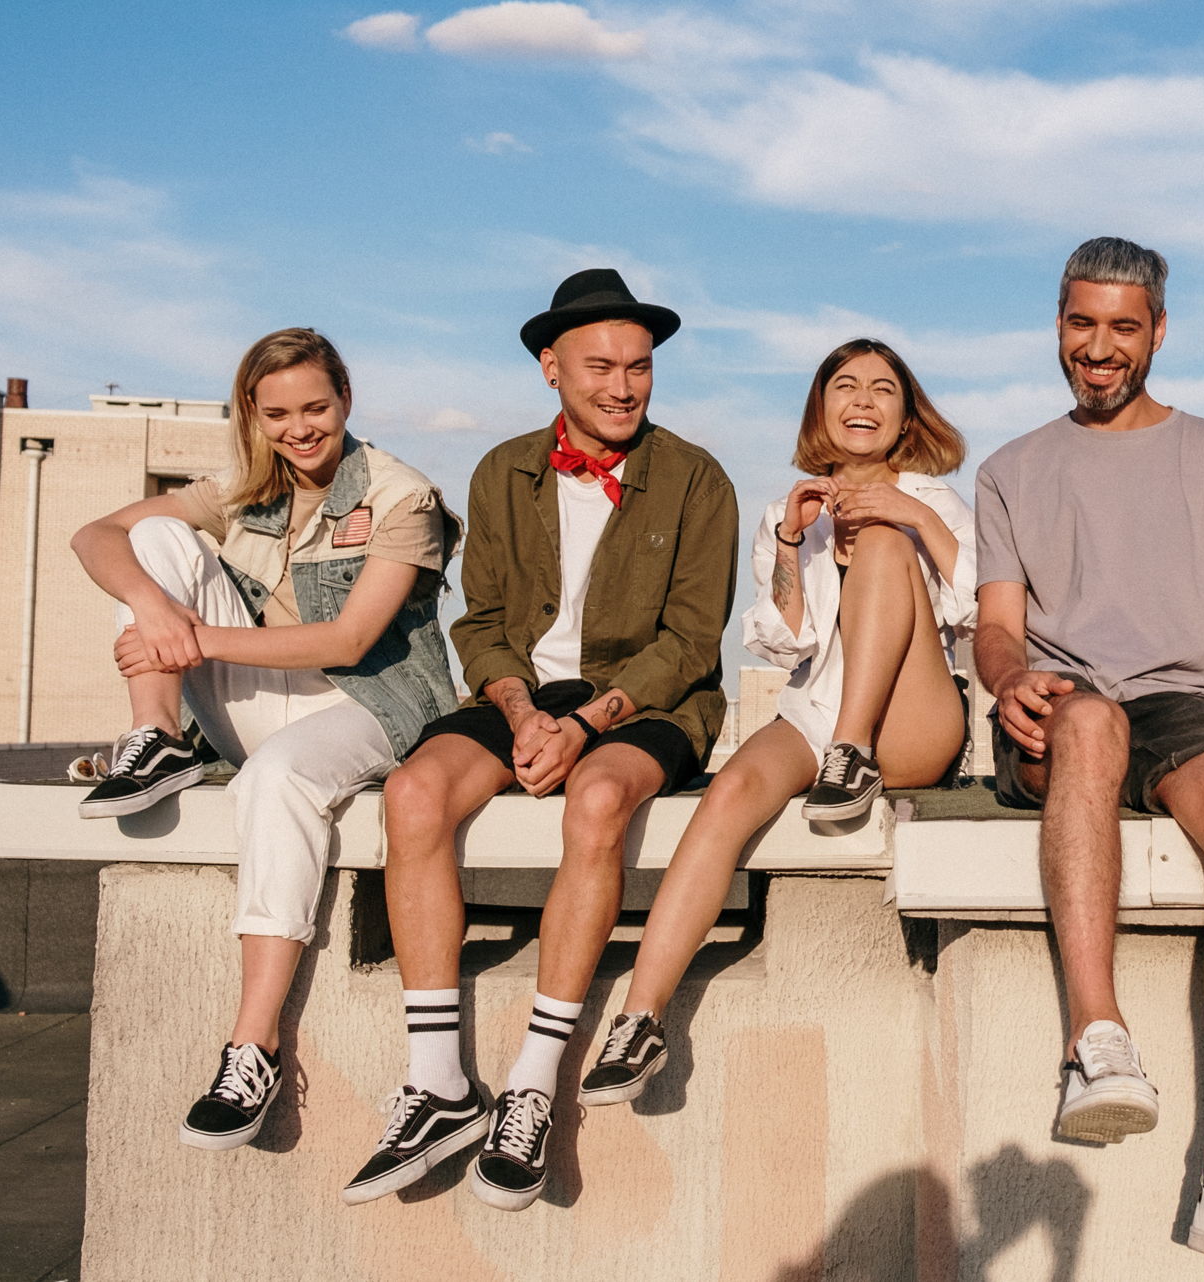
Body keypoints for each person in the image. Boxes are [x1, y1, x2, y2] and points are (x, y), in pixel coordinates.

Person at [341, 269, 738, 1212]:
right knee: (413, 795)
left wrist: (588, 722)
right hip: (530, 693)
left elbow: (691, 640)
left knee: (598, 800)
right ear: (550, 368)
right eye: (600, 365)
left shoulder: (697, 478)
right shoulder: (501, 469)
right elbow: (479, 625)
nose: (623, 386)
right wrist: (523, 715)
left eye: (639, 367)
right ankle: (438, 1082)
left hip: (650, 700)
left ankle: (532, 1081)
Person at [974, 236, 1204, 1269]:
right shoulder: (1010, 469)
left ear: (1156, 332)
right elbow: (998, 626)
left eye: (1122, 327)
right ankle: (1095, 1043)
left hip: (1181, 699)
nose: (1099, 346)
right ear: (1057, 325)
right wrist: (1005, 681)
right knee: (1086, 719)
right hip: (1060, 704)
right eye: (1081, 323)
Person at [69, 327, 459, 1152]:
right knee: (152, 542)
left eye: (316, 406)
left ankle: (253, 1046)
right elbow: (91, 536)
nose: (300, 428)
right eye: (277, 413)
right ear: (254, 413)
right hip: (263, 692)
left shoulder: (402, 496)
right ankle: (157, 737)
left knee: (276, 778)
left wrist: (192, 641)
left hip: (370, 704)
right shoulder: (246, 488)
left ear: (346, 398)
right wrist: (159, 610)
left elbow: (349, 643)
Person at [576, 337, 974, 1104]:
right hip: (815, 711)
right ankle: (640, 1018)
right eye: (846, 386)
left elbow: (982, 608)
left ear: (906, 413)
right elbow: (784, 640)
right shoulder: (785, 514)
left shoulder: (935, 499)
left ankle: (852, 755)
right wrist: (794, 539)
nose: (863, 401)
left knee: (887, 544)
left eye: (883, 389)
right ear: (821, 407)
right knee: (729, 797)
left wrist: (910, 515)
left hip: (911, 720)